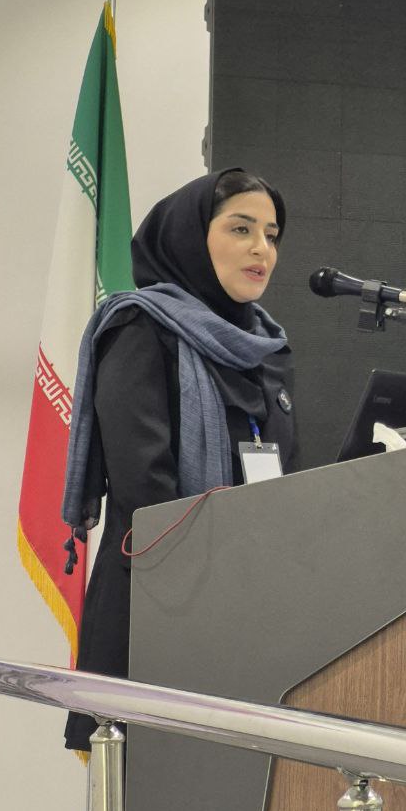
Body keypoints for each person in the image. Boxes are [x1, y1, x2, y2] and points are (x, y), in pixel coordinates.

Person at [63, 169, 298, 752]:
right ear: (190, 238)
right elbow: (146, 489)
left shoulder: (269, 351)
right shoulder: (139, 329)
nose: (261, 249)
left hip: (250, 615)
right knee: (146, 802)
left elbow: (288, 482)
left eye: (271, 235)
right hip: (155, 609)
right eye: (241, 229)